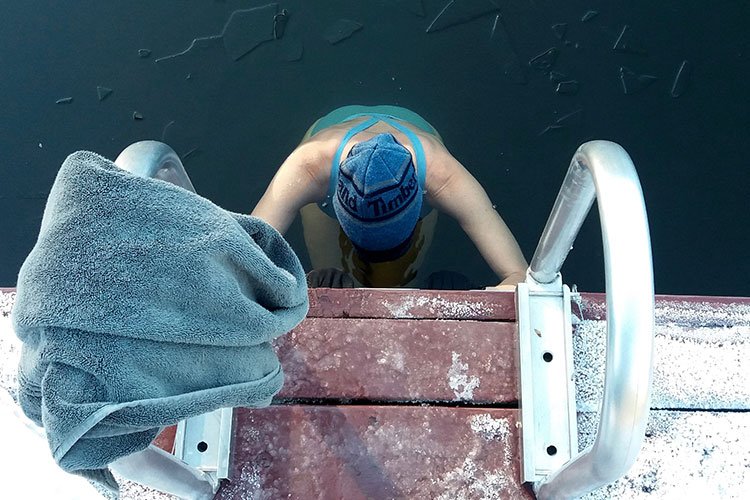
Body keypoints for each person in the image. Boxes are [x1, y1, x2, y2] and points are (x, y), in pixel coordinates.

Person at [251, 105, 527, 289]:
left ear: (420, 198)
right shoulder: (308, 166)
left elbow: (520, 275)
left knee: (398, 284)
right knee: (330, 277)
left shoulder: (441, 175)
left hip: (418, 132)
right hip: (330, 139)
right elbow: (238, 257)